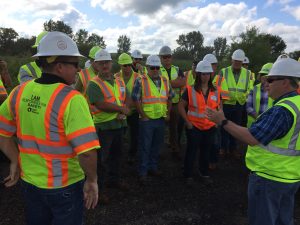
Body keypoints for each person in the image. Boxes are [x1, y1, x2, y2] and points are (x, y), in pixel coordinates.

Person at [0, 31, 100, 225]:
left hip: (30, 183)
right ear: (60, 66)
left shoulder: (19, 92)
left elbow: (3, 133)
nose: (79, 69)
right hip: (64, 185)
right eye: (75, 64)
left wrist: (14, 161)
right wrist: (92, 180)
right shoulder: (72, 99)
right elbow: (87, 152)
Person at [207, 58, 300, 225]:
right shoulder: (296, 104)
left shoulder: (283, 110)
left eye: (271, 79)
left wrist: (223, 121)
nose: (266, 83)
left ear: (286, 82)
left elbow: (252, 138)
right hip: (290, 177)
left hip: (270, 178)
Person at [87, 49, 130, 195]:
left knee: (117, 155)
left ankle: (115, 180)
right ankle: (100, 187)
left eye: (107, 62)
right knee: (101, 160)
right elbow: (100, 104)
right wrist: (121, 109)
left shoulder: (119, 81)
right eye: (101, 63)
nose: (104, 65)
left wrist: (124, 110)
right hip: (103, 127)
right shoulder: (93, 84)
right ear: (96, 65)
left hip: (119, 125)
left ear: (111, 63)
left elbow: (127, 97)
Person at [132, 55, 173, 185]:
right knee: (145, 146)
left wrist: (168, 113)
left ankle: (153, 168)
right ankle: (143, 172)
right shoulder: (140, 80)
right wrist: (143, 115)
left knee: (156, 145)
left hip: (161, 119)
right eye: (152, 68)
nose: (155, 70)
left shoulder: (165, 81)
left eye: (157, 68)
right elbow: (135, 99)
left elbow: (170, 98)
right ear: (147, 67)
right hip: (147, 121)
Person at [178, 60, 221, 184]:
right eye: (203, 74)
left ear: (211, 74)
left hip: (210, 127)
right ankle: (188, 175)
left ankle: (204, 173)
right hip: (194, 126)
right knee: (191, 151)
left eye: (207, 74)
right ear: (198, 74)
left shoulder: (216, 90)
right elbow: (181, 106)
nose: (205, 76)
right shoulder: (190, 90)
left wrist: (217, 121)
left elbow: (218, 107)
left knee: (206, 151)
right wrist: (187, 122)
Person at [217, 49, 252, 157]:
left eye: (239, 61)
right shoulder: (223, 71)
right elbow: (217, 85)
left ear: (242, 62)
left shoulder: (248, 73)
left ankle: (233, 148)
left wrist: (243, 96)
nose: (237, 63)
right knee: (224, 126)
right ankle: (223, 148)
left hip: (239, 104)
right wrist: (224, 97)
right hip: (226, 103)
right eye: (235, 61)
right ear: (232, 60)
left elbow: (250, 88)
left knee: (235, 127)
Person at [159, 46, 185, 158]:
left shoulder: (178, 69)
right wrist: (174, 82)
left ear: (171, 57)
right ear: (161, 58)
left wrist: (166, 82)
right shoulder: (156, 69)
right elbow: (157, 84)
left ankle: (174, 148)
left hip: (175, 103)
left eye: (168, 56)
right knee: (159, 129)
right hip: (160, 104)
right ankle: (158, 151)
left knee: (174, 128)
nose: (167, 59)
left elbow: (182, 83)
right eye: (164, 57)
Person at [115, 53, 140, 164]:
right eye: (125, 65)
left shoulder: (138, 77)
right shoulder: (115, 77)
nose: (127, 67)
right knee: (120, 135)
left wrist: (129, 108)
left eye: (129, 65)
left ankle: (132, 154)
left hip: (133, 111)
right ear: (120, 65)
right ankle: (118, 154)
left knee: (134, 134)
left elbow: (141, 96)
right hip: (120, 112)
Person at [246, 63, 273, 127]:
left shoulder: (275, 90)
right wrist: (259, 117)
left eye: (267, 75)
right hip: (254, 124)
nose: (264, 77)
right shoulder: (254, 89)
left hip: (269, 124)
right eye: (263, 74)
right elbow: (248, 106)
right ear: (260, 76)